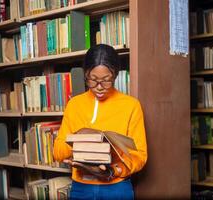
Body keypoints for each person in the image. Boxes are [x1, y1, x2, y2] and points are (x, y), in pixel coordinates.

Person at [53, 44, 147, 200]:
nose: (99, 87)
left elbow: (140, 155)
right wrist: (78, 137)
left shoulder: (131, 105)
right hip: (81, 188)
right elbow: (58, 152)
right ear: (86, 75)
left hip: (117, 188)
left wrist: (113, 171)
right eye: (93, 80)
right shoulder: (74, 104)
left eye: (106, 80)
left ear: (115, 75)